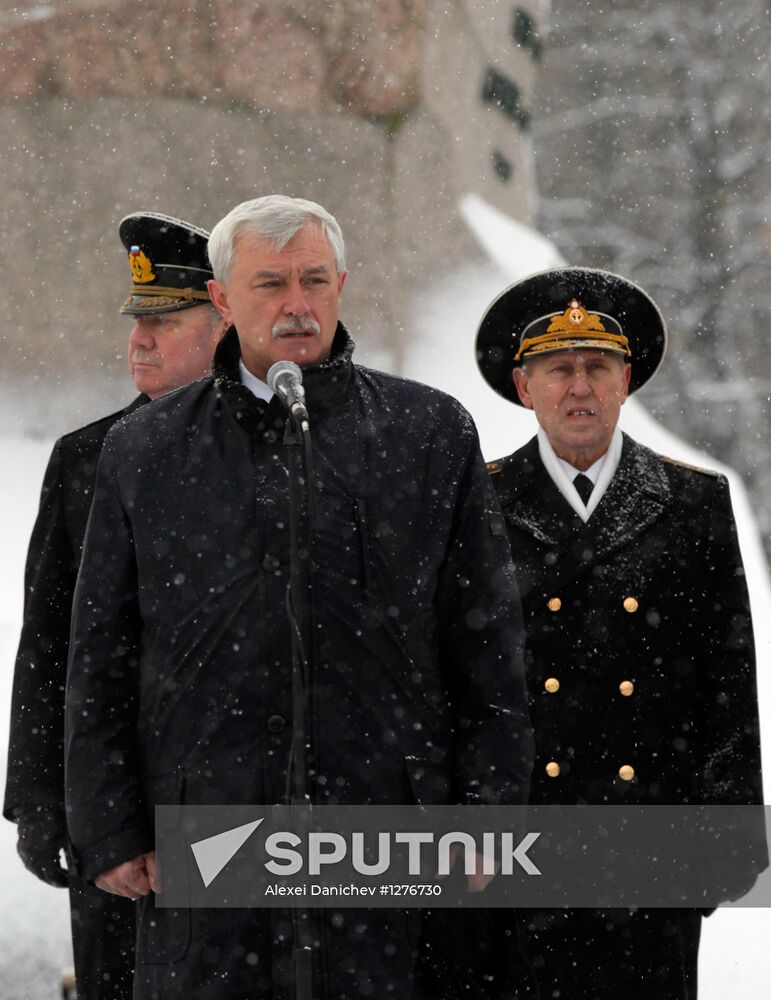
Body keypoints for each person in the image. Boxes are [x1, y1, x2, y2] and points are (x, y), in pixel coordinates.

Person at [63, 195, 534, 999]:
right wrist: (110, 828)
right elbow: (101, 654)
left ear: (342, 284)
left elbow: (484, 647)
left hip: (387, 833)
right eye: (269, 283)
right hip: (208, 829)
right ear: (220, 300)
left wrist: (485, 813)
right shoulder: (143, 450)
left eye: (314, 280)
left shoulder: (428, 433)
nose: (295, 304)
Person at [475, 266, 767, 999]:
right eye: (558, 369)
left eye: (596, 367)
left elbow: (725, 677)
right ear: (523, 385)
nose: (579, 387)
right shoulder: (474, 502)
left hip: (651, 843)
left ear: (625, 379)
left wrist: (729, 834)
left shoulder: (695, 502)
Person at [4, 212, 227, 999]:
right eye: (137, 321)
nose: (140, 340)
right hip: (112, 804)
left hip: (233, 798)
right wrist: (38, 799)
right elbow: (48, 642)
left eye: (164, 322)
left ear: (222, 322)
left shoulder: (276, 453)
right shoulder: (84, 458)